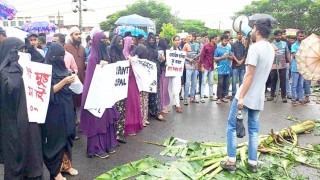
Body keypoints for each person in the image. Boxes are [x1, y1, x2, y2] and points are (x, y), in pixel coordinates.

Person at [221, 18, 274, 173]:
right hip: (258, 97)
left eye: (252, 29)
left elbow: (249, 75)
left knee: (231, 126)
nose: (250, 31)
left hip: (246, 95)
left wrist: (242, 96)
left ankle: (231, 162)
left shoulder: (255, 48)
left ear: (257, 30)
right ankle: (253, 163)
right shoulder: (270, 48)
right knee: (254, 129)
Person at [0, 37, 43, 179]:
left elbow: (42, 64)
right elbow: (11, 89)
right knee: (16, 162)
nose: (22, 53)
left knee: (33, 160)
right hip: (14, 127)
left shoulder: (24, 68)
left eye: (24, 50)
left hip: (29, 122)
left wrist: (31, 49)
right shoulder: (5, 71)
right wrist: (14, 66)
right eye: (20, 50)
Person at [42, 42, 78, 180]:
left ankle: (67, 165)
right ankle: (55, 171)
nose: (61, 59)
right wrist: (63, 82)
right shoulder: (45, 70)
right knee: (56, 140)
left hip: (67, 107)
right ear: (51, 56)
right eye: (58, 56)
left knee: (69, 134)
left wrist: (73, 82)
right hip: (54, 111)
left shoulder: (64, 68)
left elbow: (72, 90)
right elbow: (47, 92)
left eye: (62, 56)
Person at [80, 32, 119, 159]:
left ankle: (106, 144)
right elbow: (91, 79)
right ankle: (96, 148)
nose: (105, 42)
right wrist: (99, 67)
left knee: (106, 119)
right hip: (95, 94)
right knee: (97, 121)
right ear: (97, 41)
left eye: (106, 39)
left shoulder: (105, 54)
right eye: (102, 40)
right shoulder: (93, 57)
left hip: (105, 92)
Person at [122, 36, 144, 134]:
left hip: (133, 79)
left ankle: (135, 124)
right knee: (129, 102)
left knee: (135, 101)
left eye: (132, 42)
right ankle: (128, 125)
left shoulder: (131, 53)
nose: (132, 43)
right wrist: (129, 61)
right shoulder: (123, 53)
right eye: (130, 42)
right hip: (127, 80)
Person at [109, 35, 129, 139]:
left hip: (122, 86)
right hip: (114, 86)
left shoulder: (121, 54)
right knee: (115, 109)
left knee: (122, 109)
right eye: (119, 41)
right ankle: (114, 134)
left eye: (122, 41)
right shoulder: (110, 53)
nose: (121, 43)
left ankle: (120, 133)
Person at [64, 26, 86, 109]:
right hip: (72, 79)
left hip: (82, 77)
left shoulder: (82, 48)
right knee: (73, 102)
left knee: (81, 100)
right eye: (76, 34)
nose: (79, 36)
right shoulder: (66, 47)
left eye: (79, 34)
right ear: (71, 36)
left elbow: (83, 63)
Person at [267, 30, 291, 103]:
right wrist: (272, 55)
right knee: (273, 80)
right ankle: (272, 95)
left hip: (283, 66)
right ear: (274, 36)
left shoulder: (284, 44)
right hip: (274, 66)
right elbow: (268, 55)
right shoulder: (271, 44)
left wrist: (290, 62)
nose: (279, 37)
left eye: (280, 35)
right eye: (277, 35)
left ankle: (283, 97)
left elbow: (287, 54)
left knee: (283, 81)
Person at [146, 33, 165, 121]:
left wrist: (162, 59)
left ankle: (156, 111)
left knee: (155, 92)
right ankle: (148, 112)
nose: (151, 42)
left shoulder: (157, 49)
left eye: (153, 40)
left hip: (156, 71)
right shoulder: (145, 49)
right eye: (149, 40)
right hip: (147, 73)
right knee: (147, 92)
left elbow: (160, 61)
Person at [133, 34, 151, 125]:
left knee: (144, 99)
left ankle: (144, 118)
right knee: (141, 100)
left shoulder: (143, 60)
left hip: (145, 80)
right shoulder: (135, 61)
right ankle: (141, 119)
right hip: (139, 81)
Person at [214, 34, 233, 104]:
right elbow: (214, 59)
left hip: (227, 69)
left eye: (227, 41)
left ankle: (224, 96)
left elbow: (232, 57)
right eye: (225, 41)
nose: (226, 42)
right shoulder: (217, 48)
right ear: (221, 40)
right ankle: (219, 97)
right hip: (220, 69)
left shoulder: (228, 48)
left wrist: (229, 57)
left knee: (226, 83)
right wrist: (223, 57)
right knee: (220, 84)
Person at [183, 33, 200, 105]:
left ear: (194, 37)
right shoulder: (186, 45)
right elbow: (182, 55)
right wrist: (189, 59)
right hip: (188, 65)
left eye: (190, 36)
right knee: (187, 83)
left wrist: (197, 58)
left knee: (194, 82)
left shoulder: (197, 45)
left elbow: (199, 54)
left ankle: (192, 97)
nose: (189, 37)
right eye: (188, 36)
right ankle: (185, 98)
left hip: (195, 65)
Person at [200, 34, 218, 102]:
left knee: (211, 82)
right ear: (212, 39)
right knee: (203, 82)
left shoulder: (216, 46)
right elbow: (202, 56)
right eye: (215, 39)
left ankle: (211, 96)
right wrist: (202, 66)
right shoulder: (206, 46)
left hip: (212, 66)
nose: (216, 40)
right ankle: (202, 96)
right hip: (205, 65)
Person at [291, 30, 307, 106]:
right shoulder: (294, 45)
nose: (302, 37)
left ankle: (300, 98)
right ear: (297, 36)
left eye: (303, 36)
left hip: (303, 68)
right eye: (300, 36)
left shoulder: (306, 45)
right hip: (295, 68)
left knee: (301, 84)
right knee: (294, 84)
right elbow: (294, 56)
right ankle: (293, 99)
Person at [169, 35, 183, 113]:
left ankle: (174, 103)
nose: (177, 41)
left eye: (178, 40)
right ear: (173, 41)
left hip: (179, 70)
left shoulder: (180, 48)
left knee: (177, 87)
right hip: (174, 71)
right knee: (176, 88)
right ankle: (178, 105)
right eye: (176, 40)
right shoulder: (172, 50)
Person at [231, 32, 246, 99]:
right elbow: (232, 54)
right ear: (237, 35)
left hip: (242, 66)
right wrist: (237, 61)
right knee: (234, 81)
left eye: (241, 34)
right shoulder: (233, 44)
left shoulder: (244, 45)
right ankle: (234, 94)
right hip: (235, 65)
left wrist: (241, 61)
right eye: (238, 34)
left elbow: (245, 54)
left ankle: (240, 94)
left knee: (241, 81)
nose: (239, 35)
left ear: (243, 36)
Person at [158, 38, 171, 114]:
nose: (165, 43)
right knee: (162, 89)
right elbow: (161, 60)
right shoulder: (160, 50)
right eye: (164, 41)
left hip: (166, 71)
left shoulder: (166, 49)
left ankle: (164, 105)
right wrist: (164, 60)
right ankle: (162, 106)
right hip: (162, 71)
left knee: (165, 88)